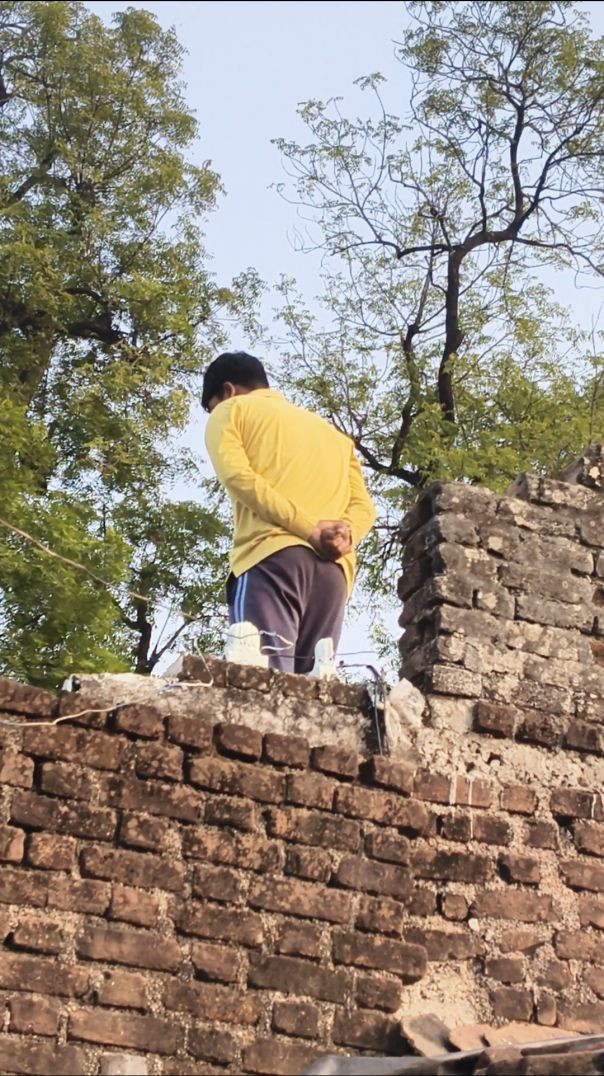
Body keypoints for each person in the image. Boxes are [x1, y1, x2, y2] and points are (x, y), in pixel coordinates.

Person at [203, 351, 376, 674]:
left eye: (211, 406)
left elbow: (239, 477)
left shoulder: (231, 411)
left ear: (227, 390)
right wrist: (344, 534)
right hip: (333, 574)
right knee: (312, 691)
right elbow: (364, 507)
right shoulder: (336, 438)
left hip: (271, 560)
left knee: (260, 681)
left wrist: (310, 530)